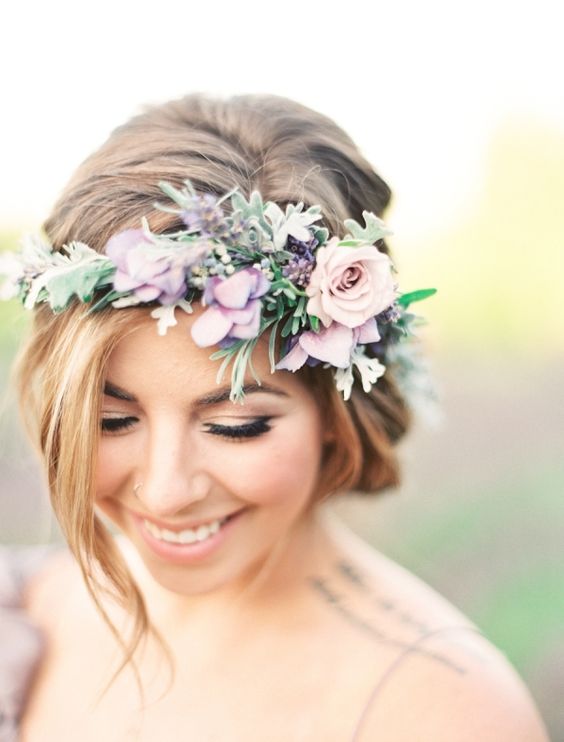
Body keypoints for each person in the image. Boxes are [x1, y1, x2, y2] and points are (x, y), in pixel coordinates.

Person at [0, 93, 548, 741]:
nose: (166, 489)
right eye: (112, 420)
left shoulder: (438, 710)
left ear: (334, 407)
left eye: (236, 426)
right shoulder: (21, 614)